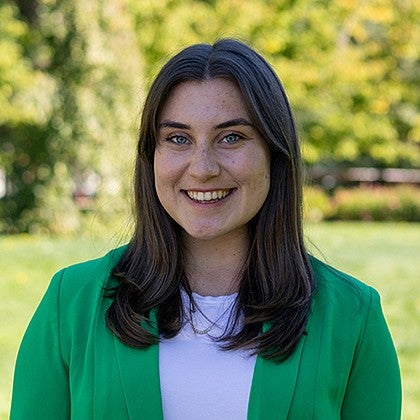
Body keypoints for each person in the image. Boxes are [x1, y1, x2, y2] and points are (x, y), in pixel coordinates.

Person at [10, 39, 401, 419]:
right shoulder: (72, 305)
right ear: (152, 157)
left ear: (274, 153)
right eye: (178, 139)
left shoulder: (351, 316)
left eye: (231, 137)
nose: (202, 167)